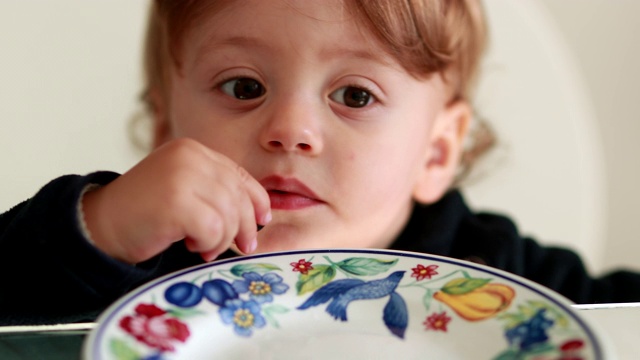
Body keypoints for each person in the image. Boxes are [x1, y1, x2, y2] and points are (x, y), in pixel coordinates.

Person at [1, 0, 639, 326]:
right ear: (167, 123)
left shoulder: (491, 273)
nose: (289, 131)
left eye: (355, 96)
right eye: (244, 87)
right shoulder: (133, 255)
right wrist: (99, 228)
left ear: (437, 152)